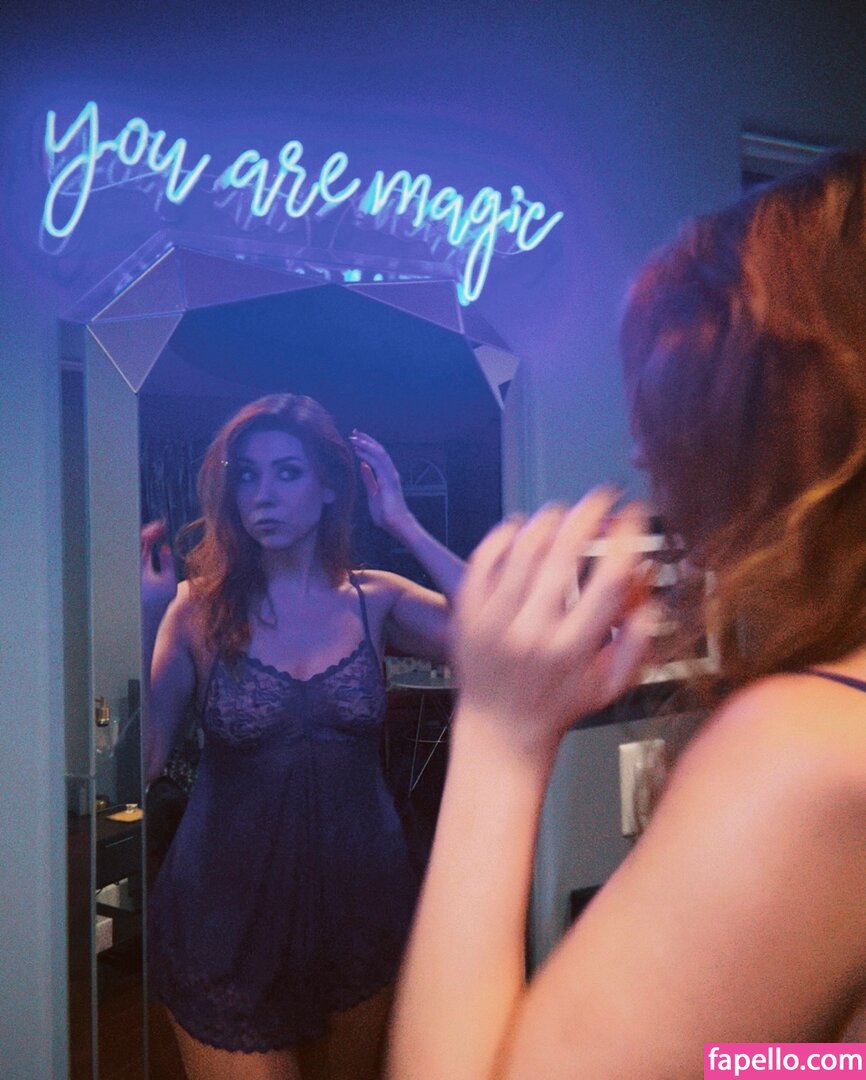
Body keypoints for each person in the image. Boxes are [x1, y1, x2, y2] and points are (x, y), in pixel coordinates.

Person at [388, 149, 866, 1079]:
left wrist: (499, 734)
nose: (642, 452)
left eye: (673, 399)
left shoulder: (802, 750)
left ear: (784, 415)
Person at [140, 393, 464, 1080]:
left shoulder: (376, 600)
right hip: (222, 917)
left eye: (287, 472)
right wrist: (146, 621)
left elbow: (501, 635)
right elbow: (146, 761)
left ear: (328, 488)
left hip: (360, 907)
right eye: (248, 475)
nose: (263, 494)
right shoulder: (195, 610)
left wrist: (402, 521)